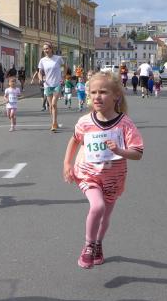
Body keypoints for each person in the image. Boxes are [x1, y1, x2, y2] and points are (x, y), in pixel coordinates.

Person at [62, 72, 144, 268]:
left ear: (116, 96)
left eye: (103, 92)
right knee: (97, 206)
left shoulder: (125, 123)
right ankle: (88, 246)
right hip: (88, 174)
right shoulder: (85, 122)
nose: (97, 97)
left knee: (105, 215)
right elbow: (74, 140)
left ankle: (98, 244)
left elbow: (138, 153)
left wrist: (119, 151)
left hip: (113, 178)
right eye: (93, 92)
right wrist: (67, 164)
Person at [37, 42, 65, 132]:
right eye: (44, 49)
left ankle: (54, 124)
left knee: (53, 104)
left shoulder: (58, 58)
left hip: (57, 83)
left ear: (51, 49)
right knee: (50, 105)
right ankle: (54, 122)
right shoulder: (42, 60)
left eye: (47, 48)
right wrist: (41, 79)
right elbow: (39, 72)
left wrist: (63, 76)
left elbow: (64, 67)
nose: (45, 50)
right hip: (47, 84)